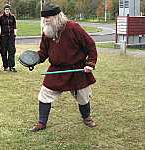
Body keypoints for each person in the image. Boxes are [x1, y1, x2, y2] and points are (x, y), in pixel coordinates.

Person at [29, 3, 98, 132]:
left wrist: (90, 64)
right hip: (56, 70)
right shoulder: (47, 30)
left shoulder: (73, 27)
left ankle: (87, 117)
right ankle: (41, 122)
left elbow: (90, 45)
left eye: (48, 17)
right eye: (44, 18)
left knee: (83, 96)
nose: (45, 20)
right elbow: (43, 52)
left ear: (57, 16)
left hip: (76, 69)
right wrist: (34, 59)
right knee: (45, 94)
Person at [0, 4, 18, 72]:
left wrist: (15, 34)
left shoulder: (12, 17)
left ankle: (11, 66)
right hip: (3, 37)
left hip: (11, 36)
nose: (7, 11)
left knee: (11, 51)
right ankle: (5, 66)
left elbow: (15, 26)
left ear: (10, 10)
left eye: (8, 9)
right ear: (4, 10)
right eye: (6, 9)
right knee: (3, 51)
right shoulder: (1, 18)